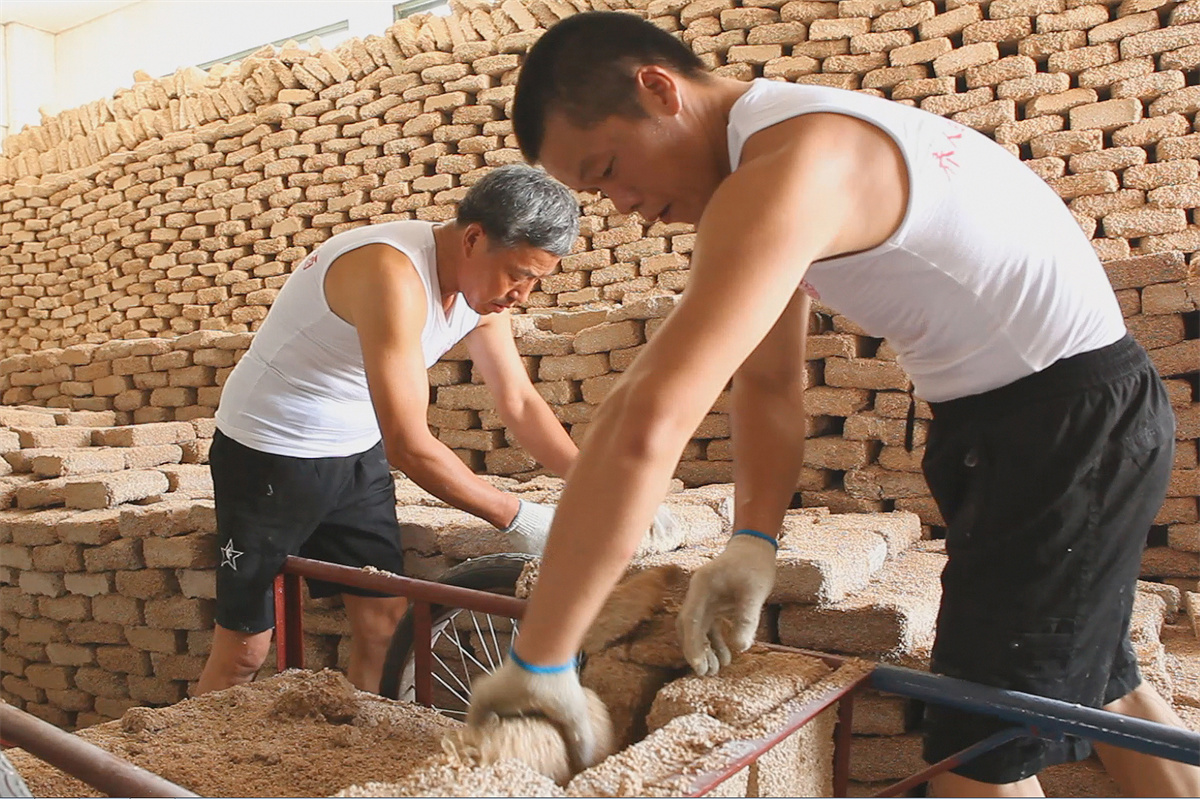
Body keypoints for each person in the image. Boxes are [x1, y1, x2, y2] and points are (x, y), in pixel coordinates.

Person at [463, 12, 1200, 797]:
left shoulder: (794, 165)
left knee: (979, 744)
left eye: (608, 168)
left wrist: (540, 658)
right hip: (1036, 422)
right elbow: (769, 381)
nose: (621, 203)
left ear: (658, 89)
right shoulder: (763, 166)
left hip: (1061, 430)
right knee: (1099, 681)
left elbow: (646, 420)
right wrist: (753, 539)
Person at [196, 164, 678, 696]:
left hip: (355, 451)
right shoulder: (390, 273)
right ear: (473, 237)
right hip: (270, 453)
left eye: (537, 279)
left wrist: (600, 487)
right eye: (519, 273)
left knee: (382, 627)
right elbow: (409, 444)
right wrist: (520, 521)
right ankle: (174, 770)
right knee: (245, 653)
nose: (522, 295)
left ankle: (360, 755)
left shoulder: (482, 292)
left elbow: (518, 402)